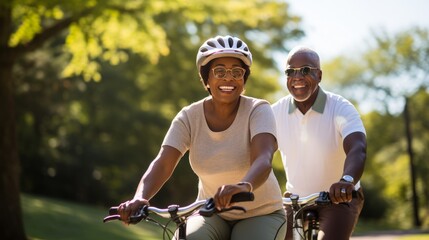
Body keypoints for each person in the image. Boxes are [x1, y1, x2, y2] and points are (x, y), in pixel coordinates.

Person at [117, 35, 286, 240]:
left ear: (244, 79)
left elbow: (264, 158)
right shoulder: (189, 116)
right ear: (206, 78)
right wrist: (140, 197)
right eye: (219, 71)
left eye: (236, 72)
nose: (228, 78)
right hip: (211, 211)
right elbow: (163, 163)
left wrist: (243, 186)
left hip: (262, 213)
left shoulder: (258, 109)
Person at [271, 46, 367, 240]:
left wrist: (346, 181)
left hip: (339, 199)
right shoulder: (274, 113)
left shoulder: (341, 107)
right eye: (291, 71)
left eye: (305, 70)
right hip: (294, 201)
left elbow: (357, 148)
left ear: (319, 75)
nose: (297, 76)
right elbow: (259, 154)